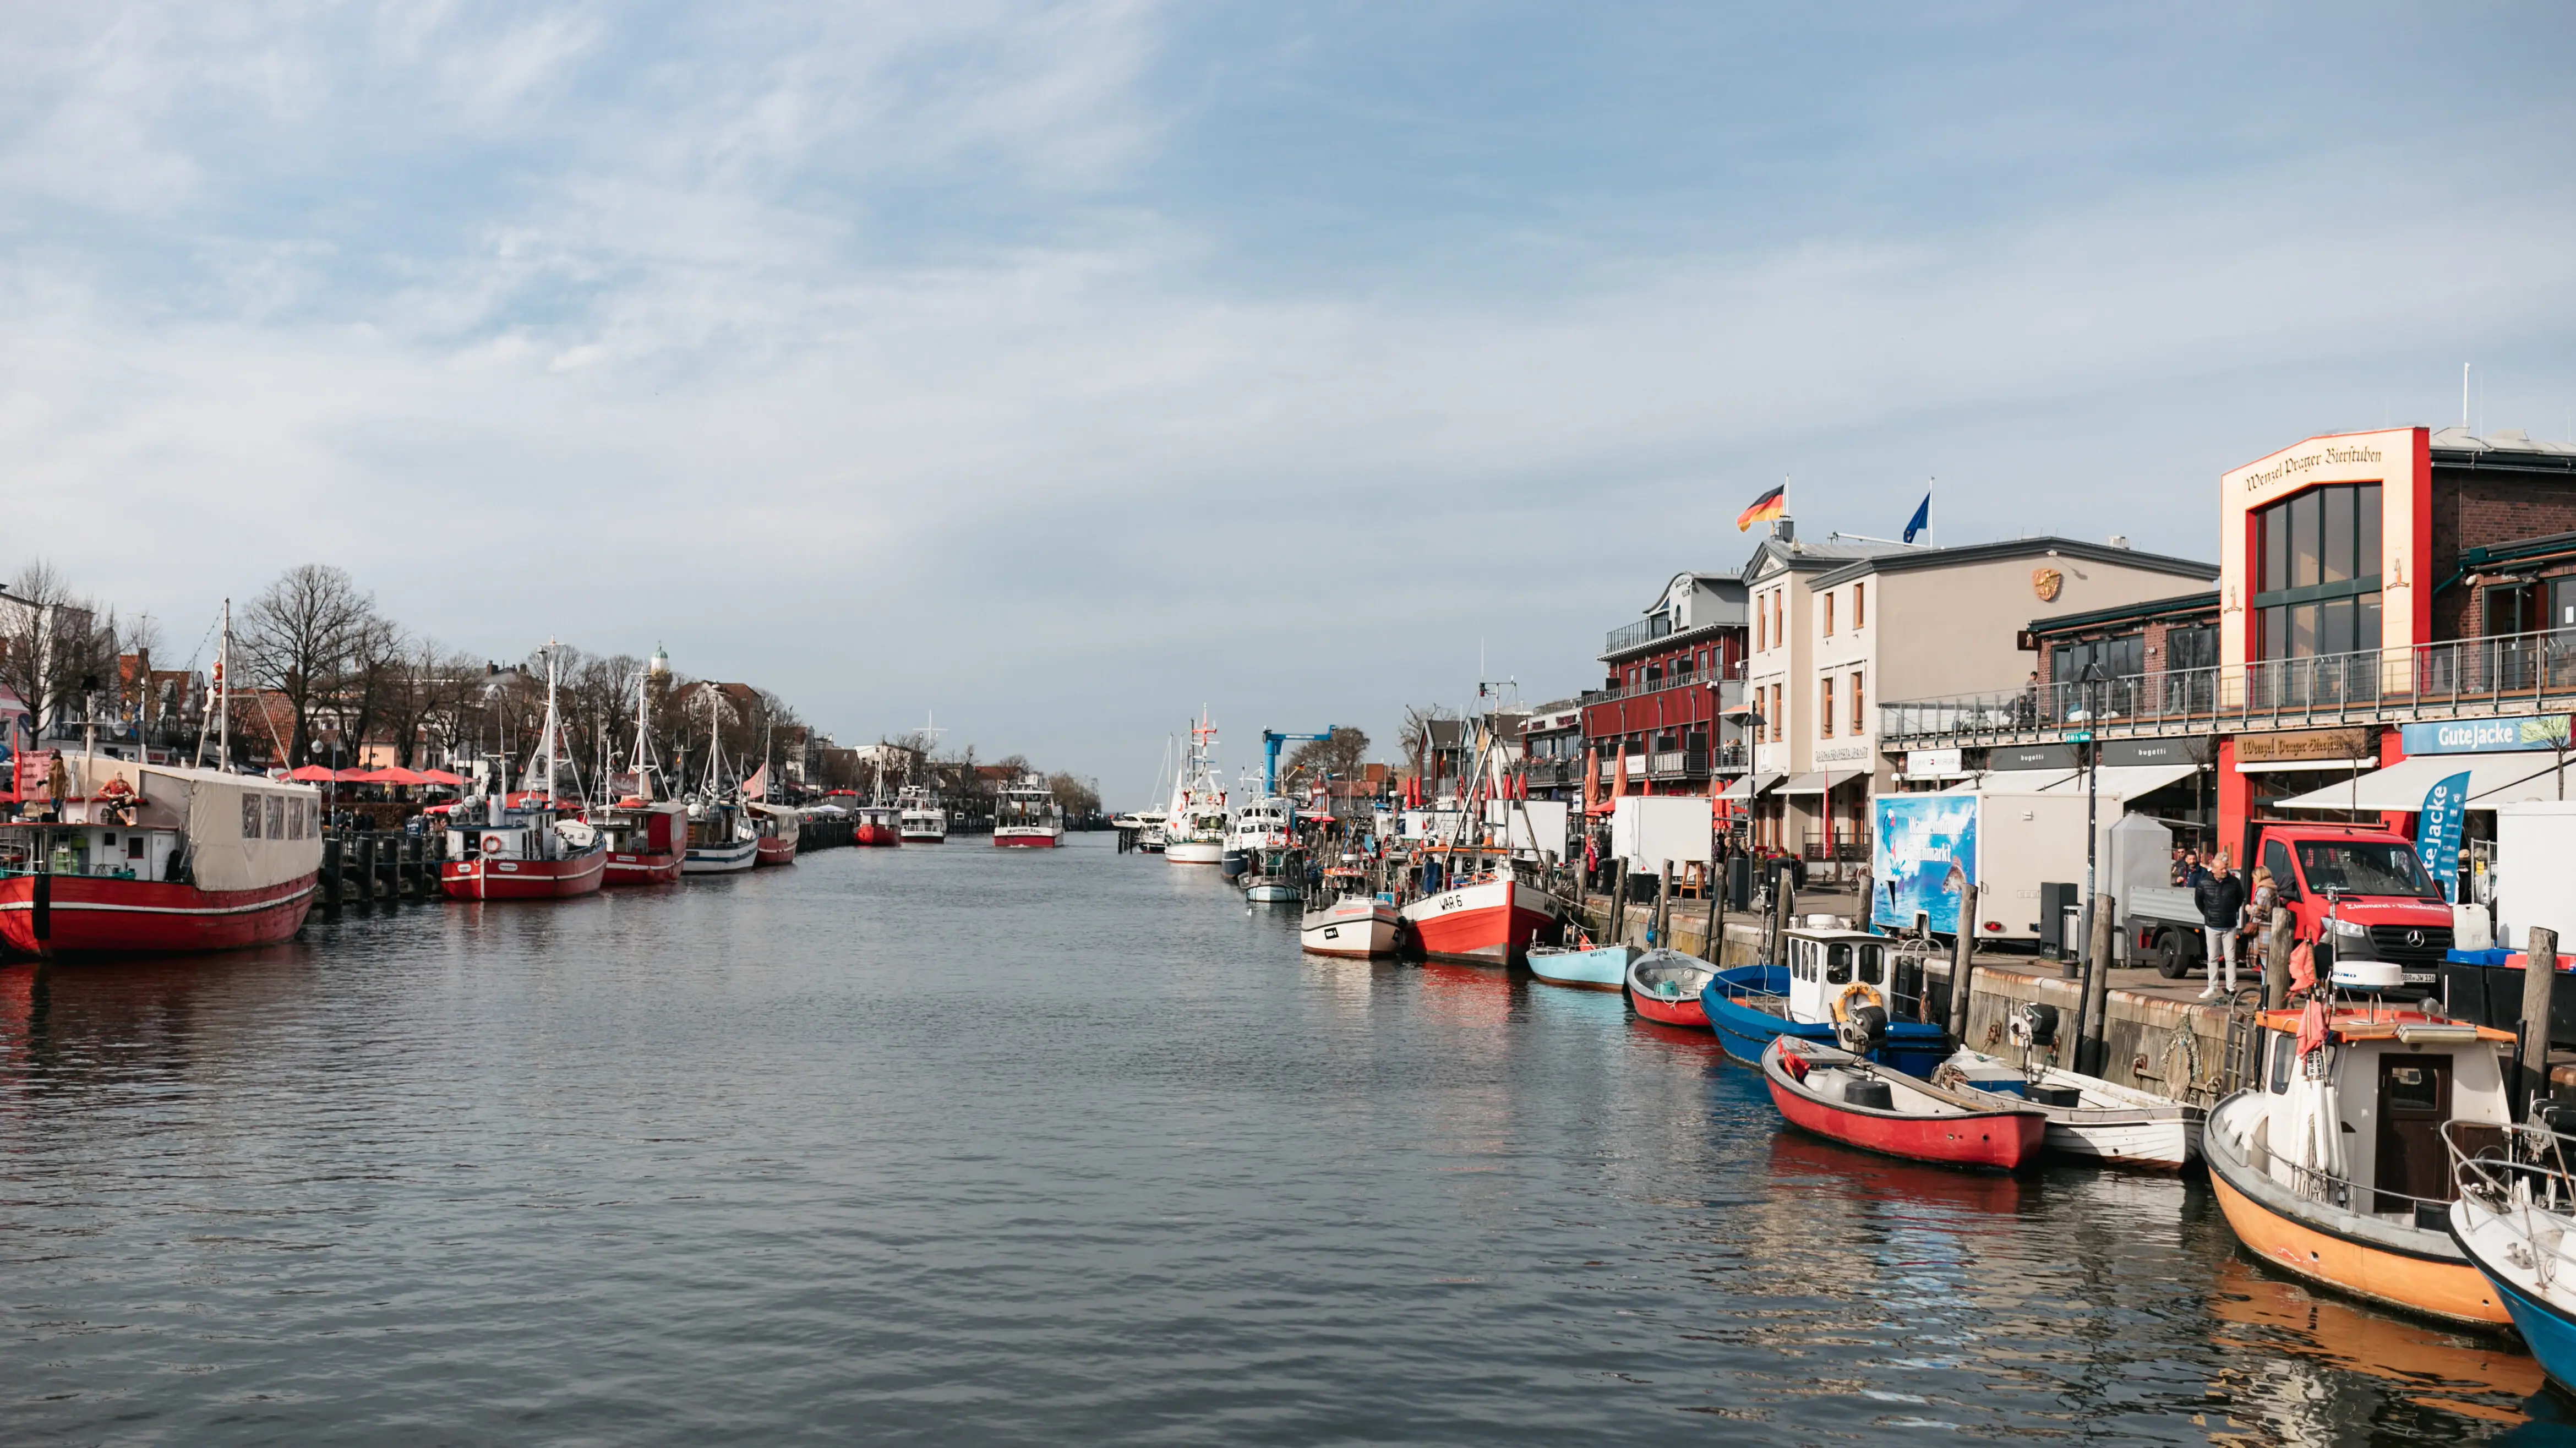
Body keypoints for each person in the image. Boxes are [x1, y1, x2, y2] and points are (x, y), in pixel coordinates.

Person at [2193, 849, 2247, 1000]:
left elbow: (2239, 899)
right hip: (2212, 925)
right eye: (2222, 868)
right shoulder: (2204, 883)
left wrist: (2230, 912)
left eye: (2226, 868)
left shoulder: (2234, 882)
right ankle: (2212, 986)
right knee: (2212, 957)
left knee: (2230, 958)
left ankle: (2231, 987)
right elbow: (2199, 902)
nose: (2225, 871)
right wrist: (2209, 914)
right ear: (2214, 869)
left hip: (2229, 925)